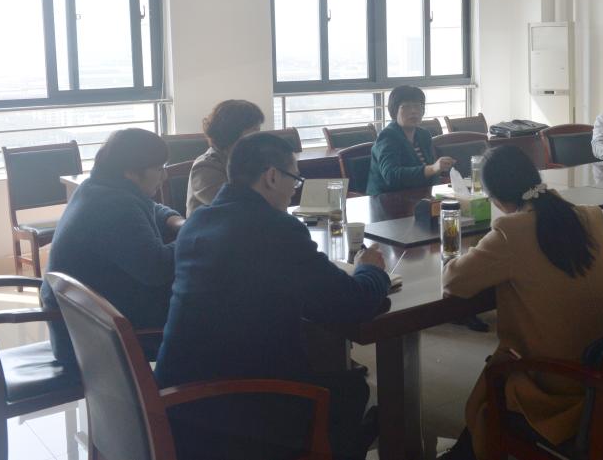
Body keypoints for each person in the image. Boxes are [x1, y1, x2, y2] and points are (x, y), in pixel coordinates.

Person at [155, 133, 390, 460]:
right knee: (351, 390)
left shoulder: (199, 220)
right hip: (229, 409)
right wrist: (371, 269)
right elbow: (352, 303)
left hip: (175, 400)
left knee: (330, 372)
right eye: (294, 179)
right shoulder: (274, 228)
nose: (294, 189)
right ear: (272, 176)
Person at [441, 146, 603, 459]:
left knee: (492, 381)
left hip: (555, 385)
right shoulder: (590, 215)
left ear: (496, 198)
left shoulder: (511, 231)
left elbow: (453, 281)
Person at [41, 128, 183, 364]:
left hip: (81, 325)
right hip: (101, 338)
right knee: (209, 316)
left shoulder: (96, 188)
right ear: (131, 171)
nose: (164, 176)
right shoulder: (115, 206)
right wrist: (191, 237)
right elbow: (157, 268)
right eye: (159, 169)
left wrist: (175, 220)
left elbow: (150, 207)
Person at [366, 85, 454, 196]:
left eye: (418, 106)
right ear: (395, 111)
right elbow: (391, 176)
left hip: (420, 196)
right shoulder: (387, 137)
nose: (413, 111)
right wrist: (432, 169)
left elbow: (432, 175)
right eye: (406, 107)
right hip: (387, 200)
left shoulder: (424, 135)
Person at [186, 99, 264, 216]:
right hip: (213, 226)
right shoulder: (205, 166)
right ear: (232, 132)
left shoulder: (249, 159)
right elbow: (231, 206)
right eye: (254, 131)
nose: (259, 137)